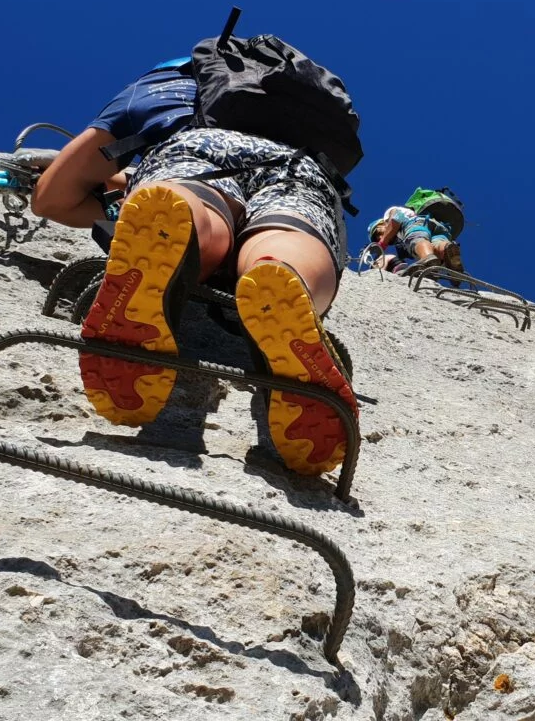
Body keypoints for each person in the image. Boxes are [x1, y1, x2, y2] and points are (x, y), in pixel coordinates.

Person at [31, 58, 359, 477]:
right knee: (286, 233)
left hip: (201, 148)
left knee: (197, 200)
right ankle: (283, 276)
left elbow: (52, 198)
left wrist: (114, 189)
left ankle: (177, 225)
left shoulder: (167, 85)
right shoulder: (308, 119)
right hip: (299, 167)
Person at [367, 201, 464, 275]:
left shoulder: (388, 215)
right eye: (378, 238)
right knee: (437, 244)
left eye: (379, 232)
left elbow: (396, 219)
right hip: (438, 226)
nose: (380, 237)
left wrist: (382, 243)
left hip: (415, 224)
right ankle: (448, 250)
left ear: (382, 223)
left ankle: (428, 259)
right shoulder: (399, 236)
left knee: (417, 240)